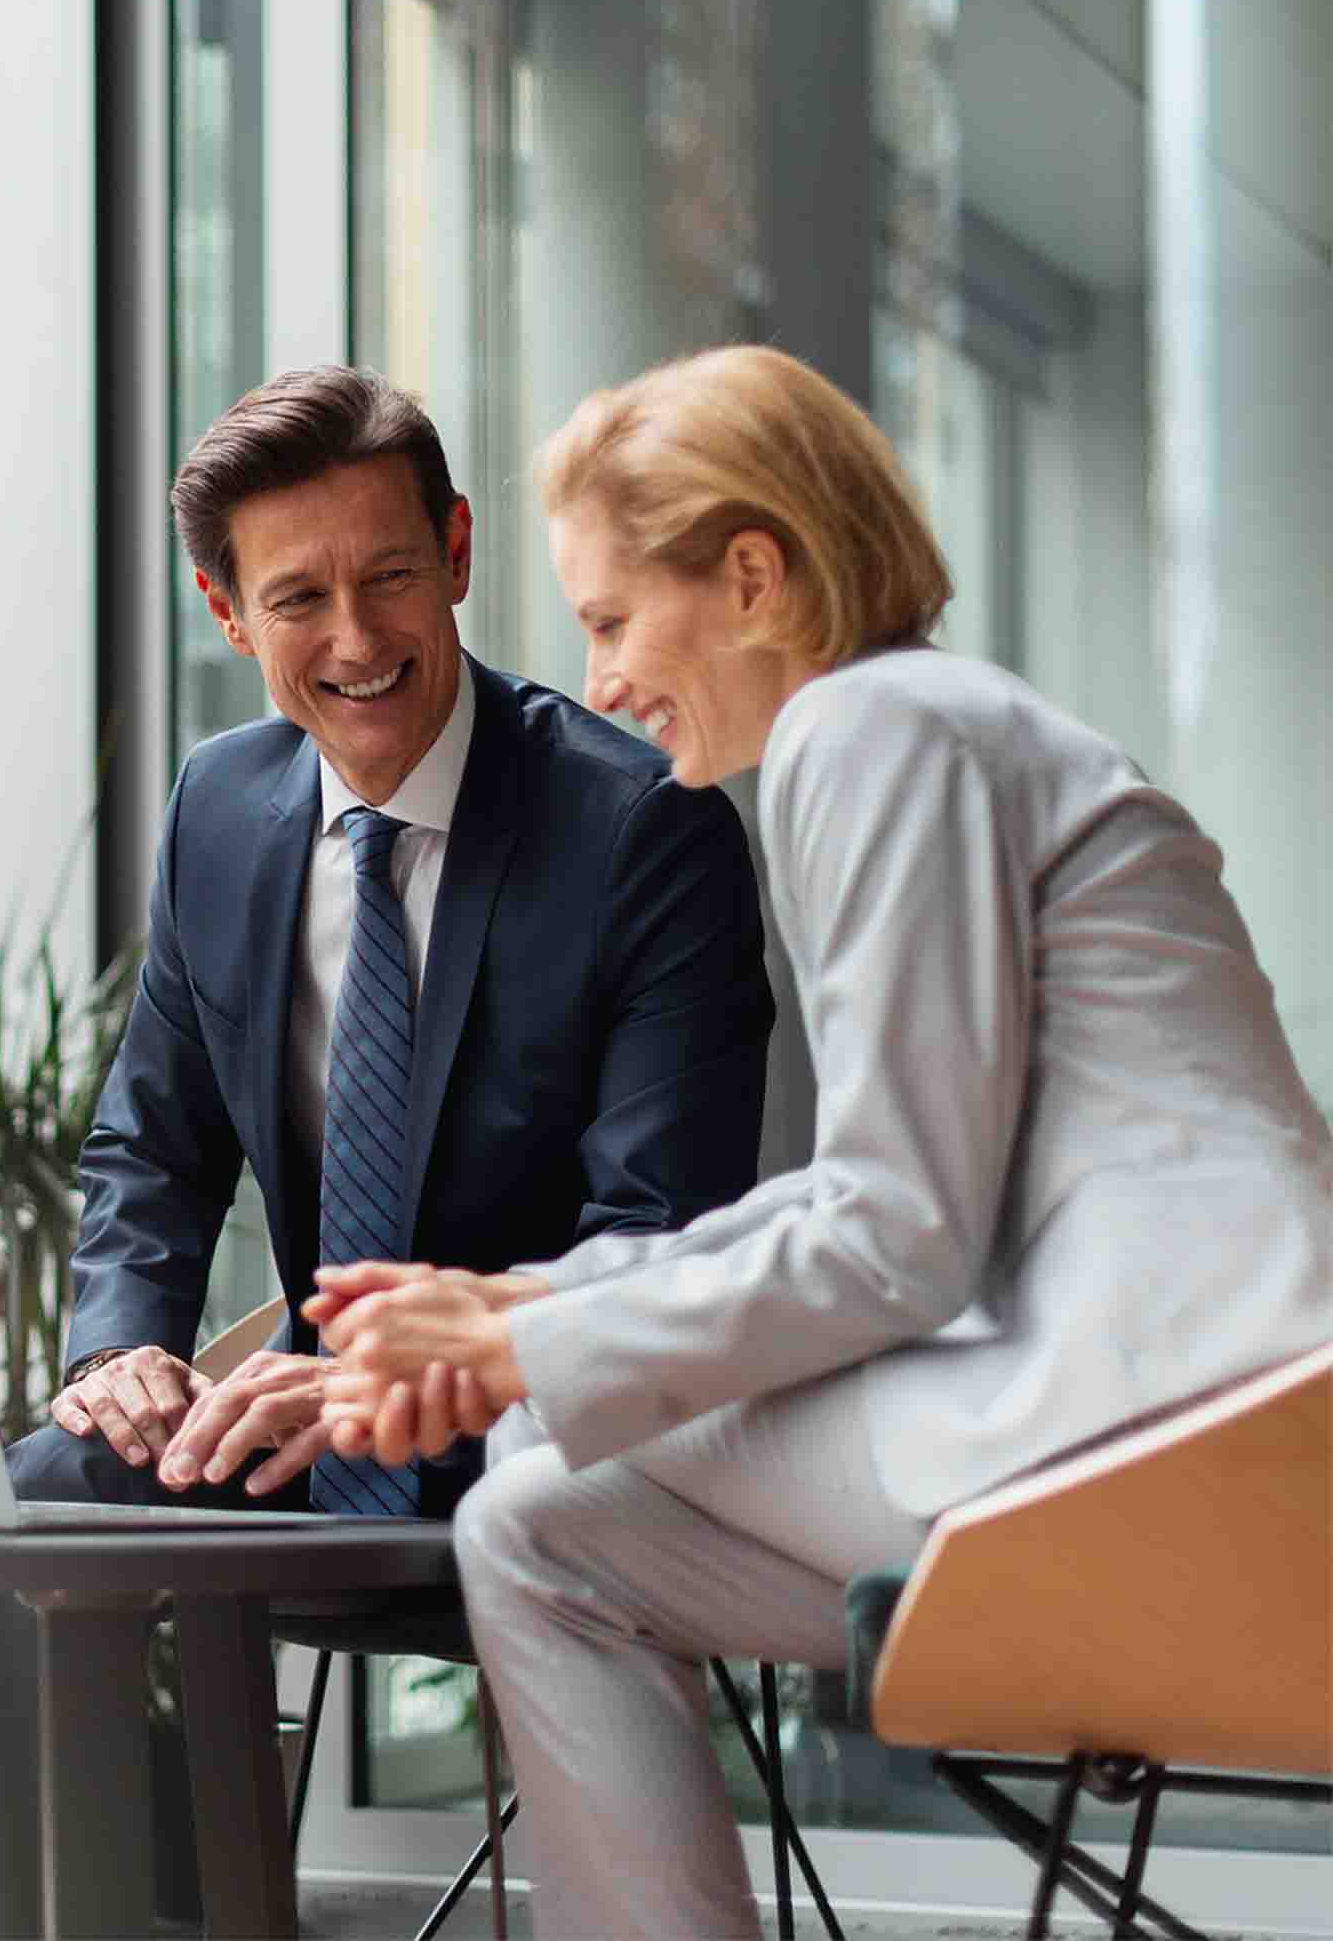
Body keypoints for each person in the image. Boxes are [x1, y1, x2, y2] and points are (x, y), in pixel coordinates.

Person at [311, 343, 1333, 1939]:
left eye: (611, 620)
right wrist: (530, 1307)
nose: (600, 686)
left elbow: (894, 1237)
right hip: (1202, 1431)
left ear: (752, 576)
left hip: (1180, 1430)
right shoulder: (940, 725)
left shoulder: (873, 729)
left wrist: (522, 1353)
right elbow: (889, 1192)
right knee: (537, 1523)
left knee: (538, 1450)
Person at [0, 366, 779, 1935]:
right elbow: (152, 1150)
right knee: (46, 1493)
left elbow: (662, 1231)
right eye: (298, 598)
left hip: (539, 1437)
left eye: (388, 575)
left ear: (456, 550)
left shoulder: (642, 828)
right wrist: (121, 1355)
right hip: (300, 1431)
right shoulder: (220, 809)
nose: (356, 638)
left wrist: (408, 1379)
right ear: (225, 611)